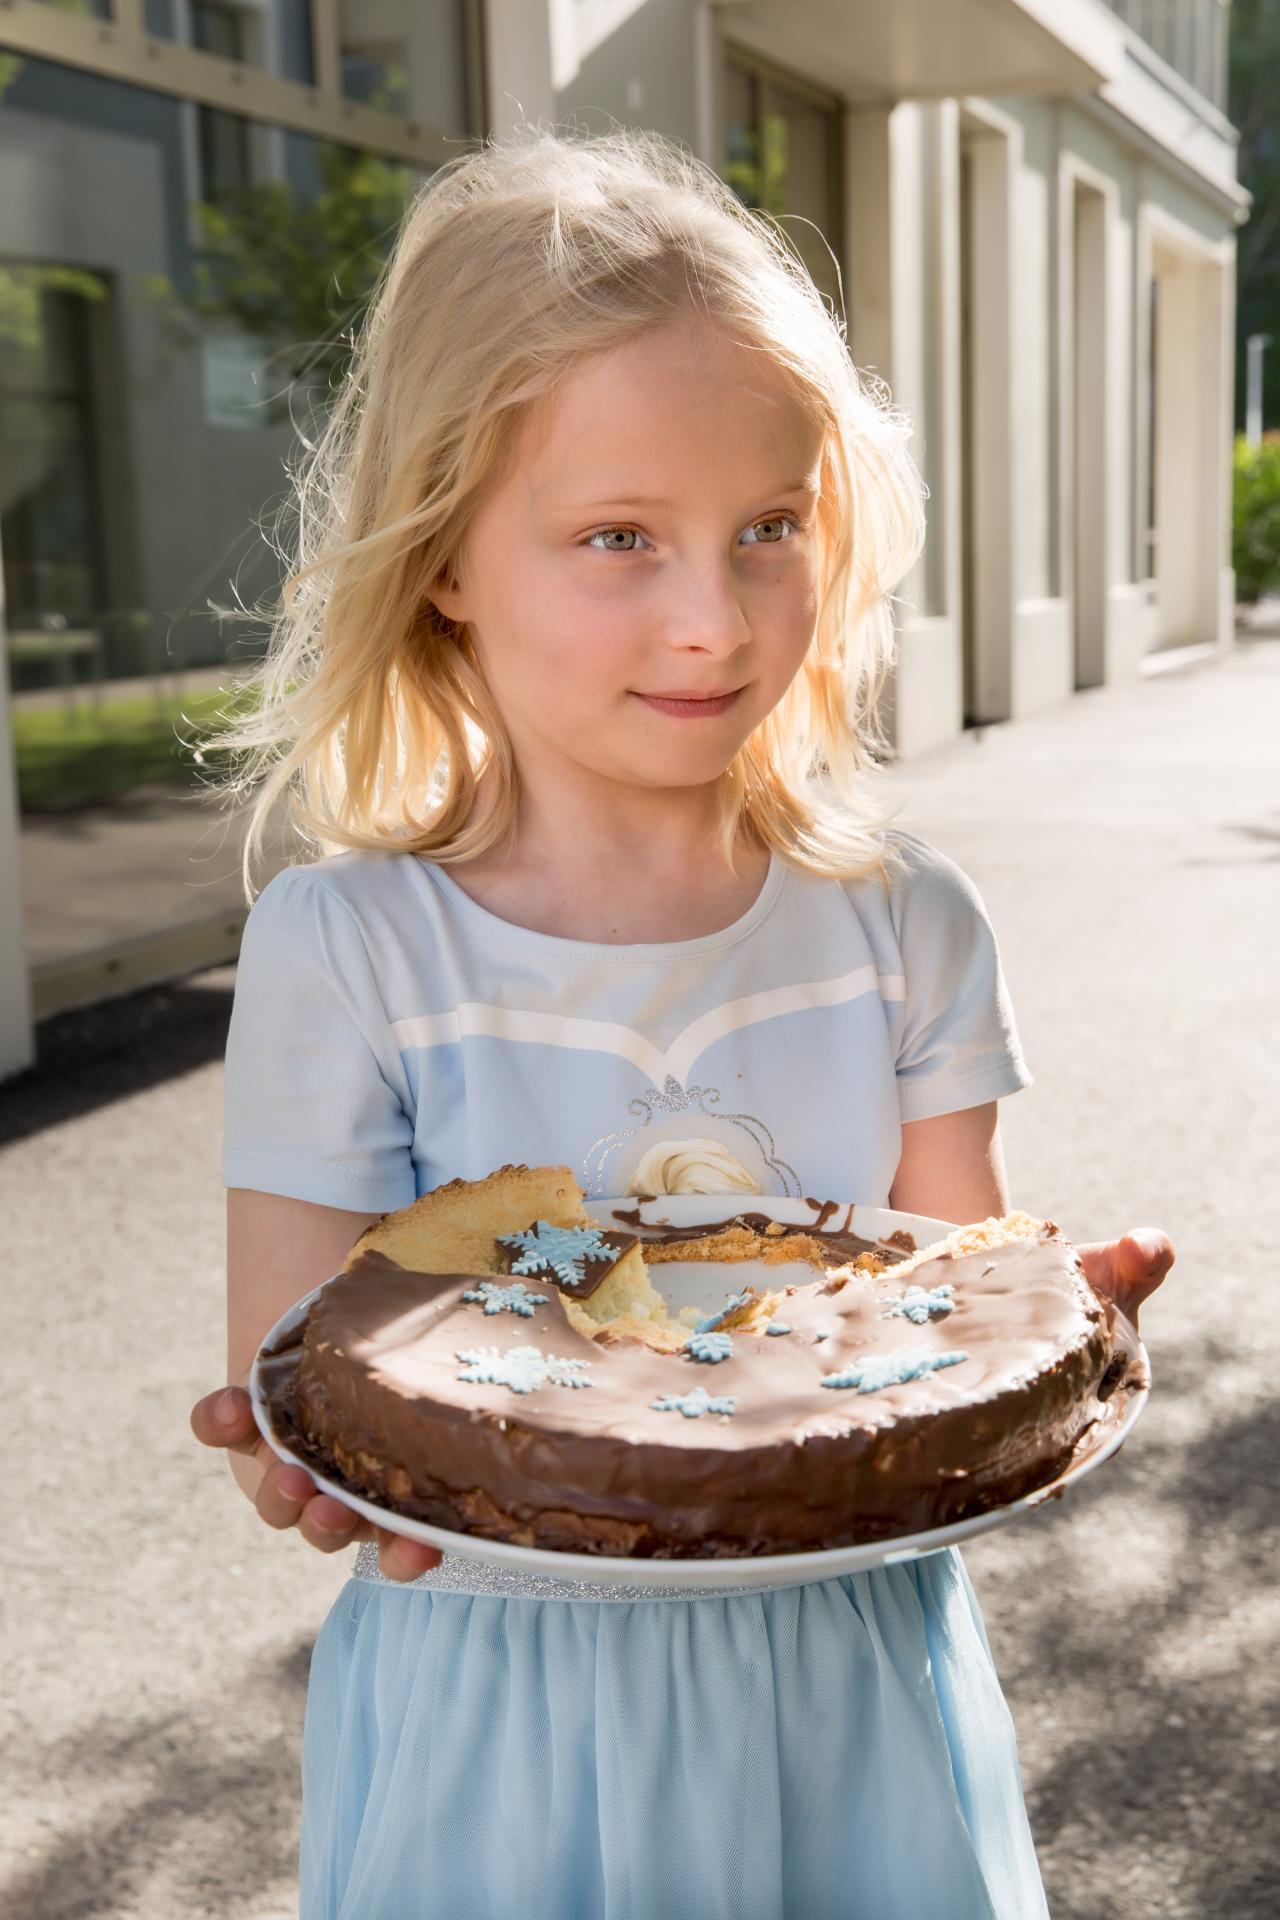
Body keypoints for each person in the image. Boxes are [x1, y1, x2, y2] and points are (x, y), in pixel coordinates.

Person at [189, 123, 1174, 1919]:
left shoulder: (901, 924)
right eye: (619, 537)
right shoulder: (350, 947)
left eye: (768, 530)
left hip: (854, 1685)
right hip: (506, 1722)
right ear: (444, 562)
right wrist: (300, 1470)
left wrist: (1051, 1332)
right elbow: (305, 1363)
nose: (712, 619)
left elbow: (945, 1300)